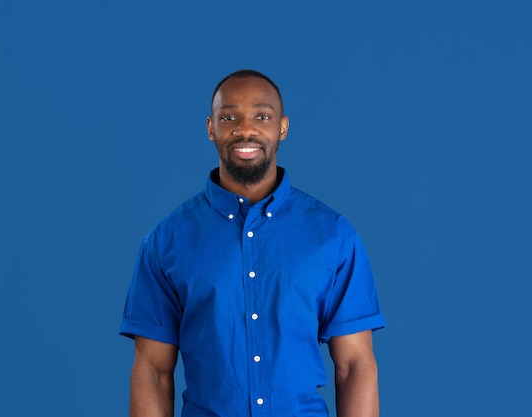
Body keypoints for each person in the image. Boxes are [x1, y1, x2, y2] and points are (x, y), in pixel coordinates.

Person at [119, 69, 386, 417]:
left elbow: (354, 364)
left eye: (262, 116)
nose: (245, 129)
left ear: (283, 127)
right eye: (229, 117)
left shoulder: (333, 236)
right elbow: (153, 372)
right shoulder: (166, 242)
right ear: (211, 128)